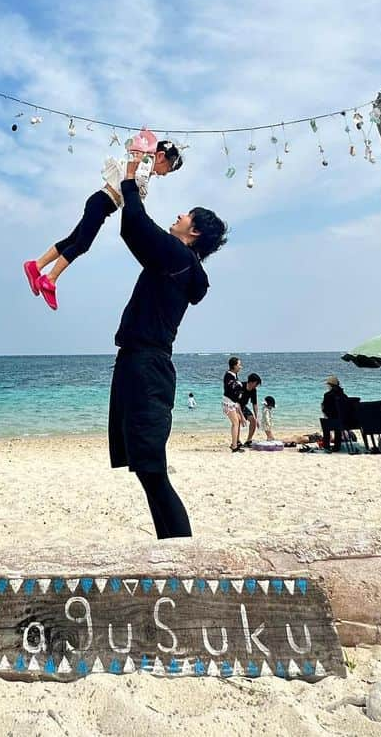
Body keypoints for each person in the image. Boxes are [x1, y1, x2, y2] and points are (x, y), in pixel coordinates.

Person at [109, 156, 228, 538]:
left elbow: (136, 227)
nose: (178, 215)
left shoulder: (178, 257)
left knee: (153, 472)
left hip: (146, 367)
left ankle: (182, 551)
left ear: (193, 232)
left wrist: (130, 181)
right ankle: (171, 548)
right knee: (147, 472)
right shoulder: (177, 262)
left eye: (185, 215)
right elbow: (142, 231)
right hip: (141, 365)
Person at [24, 131, 184, 310]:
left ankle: (36, 266)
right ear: (161, 156)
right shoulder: (145, 164)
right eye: (168, 169)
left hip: (101, 202)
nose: (165, 174)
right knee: (82, 244)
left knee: (73, 240)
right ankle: (50, 279)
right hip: (102, 202)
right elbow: (135, 186)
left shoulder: (142, 164)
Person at [320, 374, 350, 452]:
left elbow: (325, 409)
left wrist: (324, 411)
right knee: (337, 423)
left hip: (334, 422)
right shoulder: (344, 396)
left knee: (325, 422)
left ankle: (326, 446)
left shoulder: (327, 395)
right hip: (345, 422)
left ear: (330, 385)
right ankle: (337, 446)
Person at [222, 356, 246, 453]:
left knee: (239, 420)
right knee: (235, 423)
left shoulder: (234, 375)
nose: (241, 367)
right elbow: (232, 388)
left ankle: (236, 442)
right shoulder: (228, 376)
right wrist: (240, 386)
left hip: (232, 402)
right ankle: (234, 446)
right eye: (239, 365)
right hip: (228, 402)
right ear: (234, 366)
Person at [239, 372, 262, 448]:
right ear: (251, 382)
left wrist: (257, 418)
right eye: (256, 384)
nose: (256, 386)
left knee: (253, 421)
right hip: (235, 406)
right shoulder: (241, 386)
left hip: (243, 407)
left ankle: (248, 440)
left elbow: (254, 404)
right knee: (238, 421)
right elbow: (236, 402)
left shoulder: (253, 390)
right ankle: (236, 441)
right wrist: (242, 416)